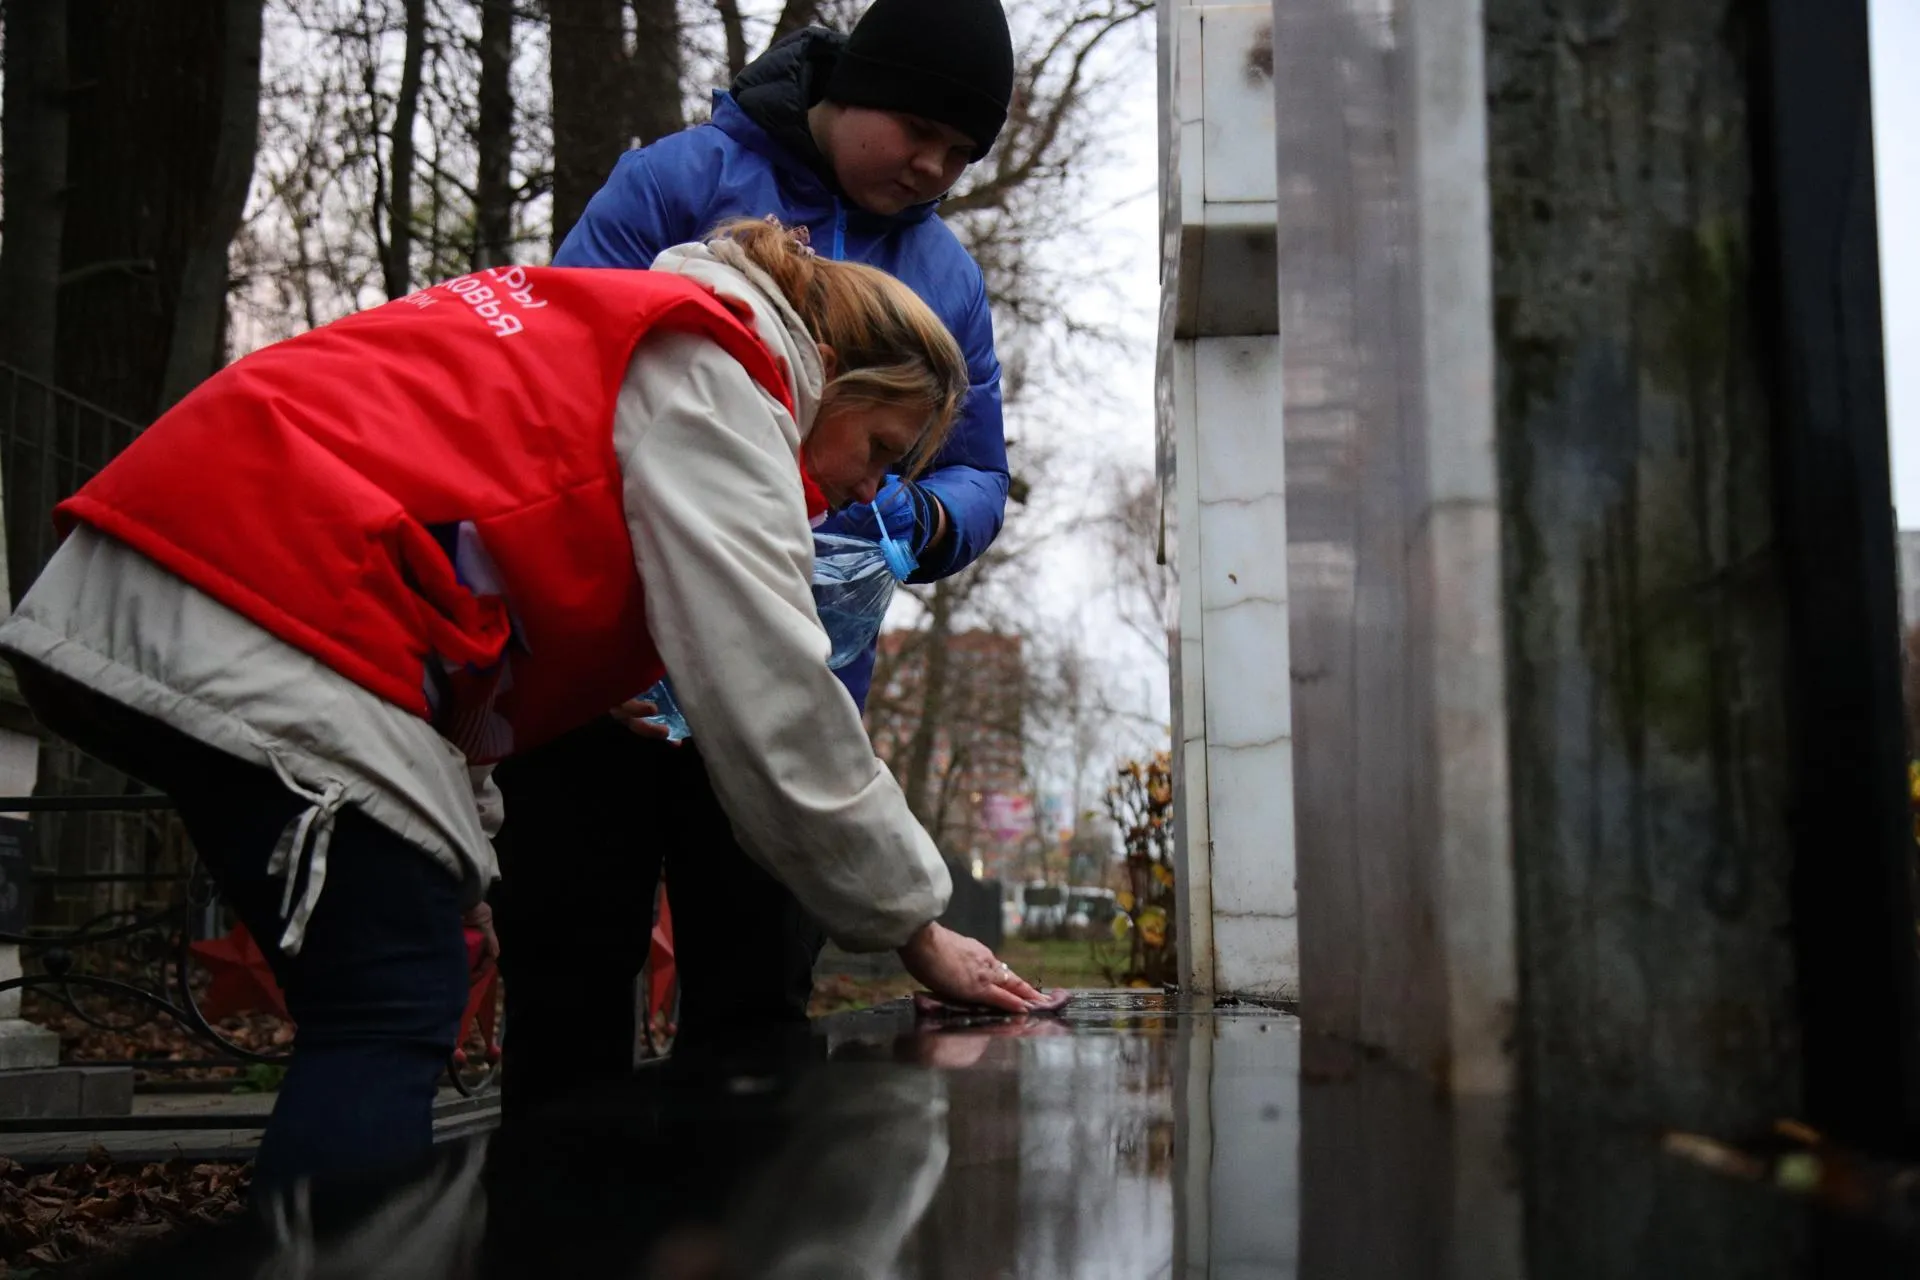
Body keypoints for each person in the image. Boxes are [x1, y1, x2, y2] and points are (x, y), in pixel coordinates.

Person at [0, 219, 1043, 1189]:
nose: (873, 493)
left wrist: (465, 857)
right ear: (838, 375)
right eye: (881, 450)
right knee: (386, 1005)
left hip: (174, 565)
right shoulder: (722, 378)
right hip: (262, 591)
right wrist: (913, 919)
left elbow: (469, 619)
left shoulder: (618, 336)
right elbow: (775, 697)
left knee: (378, 987)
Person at [494, 0, 1017, 1106]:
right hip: (605, 681)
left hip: (800, 671)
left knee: (755, 999)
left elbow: (976, 473)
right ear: (853, 86)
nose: (933, 165)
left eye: (963, 152)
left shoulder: (948, 278)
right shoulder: (677, 182)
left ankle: (734, 1232)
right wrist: (607, 637)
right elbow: (561, 389)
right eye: (918, 128)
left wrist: (914, 520)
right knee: (569, 975)